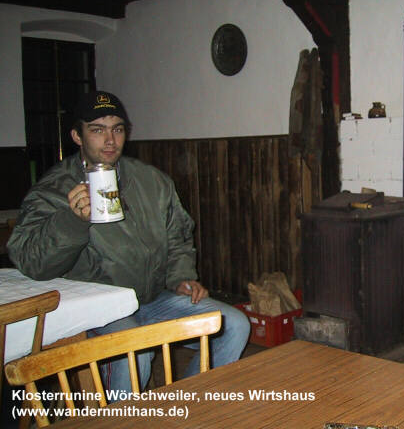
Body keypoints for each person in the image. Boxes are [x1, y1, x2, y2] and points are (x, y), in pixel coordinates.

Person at [7, 90, 250, 396]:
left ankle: (188, 406)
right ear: (77, 136)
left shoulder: (152, 181)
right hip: (97, 310)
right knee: (134, 353)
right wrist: (73, 220)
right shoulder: (53, 189)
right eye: (98, 130)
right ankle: (122, 417)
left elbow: (178, 235)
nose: (110, 140)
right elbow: (31, 262)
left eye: (117, 129)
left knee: (233, 325)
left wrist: (181, 278)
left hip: (151, 298)